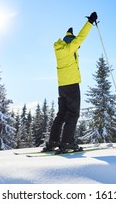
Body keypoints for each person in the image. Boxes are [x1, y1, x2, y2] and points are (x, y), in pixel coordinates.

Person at [44, 12, 98, 153]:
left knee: (61, 114)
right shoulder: (69, 48)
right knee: (73, 114)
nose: (77, 47)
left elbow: (72, 38)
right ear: (71, 42)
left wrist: (69, 33)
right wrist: (90, 22)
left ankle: (53, 141)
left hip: (62, 87)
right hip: (72, 85)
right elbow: (81, 37)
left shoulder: (60, 49)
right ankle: (67, 142)